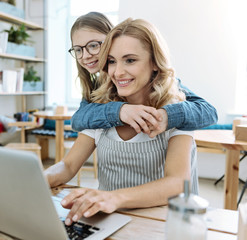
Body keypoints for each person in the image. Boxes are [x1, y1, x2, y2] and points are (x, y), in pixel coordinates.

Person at [45, 17, 198, 226]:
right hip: (107, 221)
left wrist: (114, 197)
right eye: (111, 61)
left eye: (130, 60)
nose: (117, 72)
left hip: (164, 224)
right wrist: (39, 179)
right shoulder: (101, 108)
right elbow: (68, 165)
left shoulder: (176, 110)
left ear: (154, 63)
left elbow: (178, 183)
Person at [68, 12, 217, 136]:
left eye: (93, 45)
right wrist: (119, 111)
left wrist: (167, 116)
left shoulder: (159, 81)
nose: (85, 55)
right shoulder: (97, 85)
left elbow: (208, 112)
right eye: (78, 50)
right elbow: (77, 120)